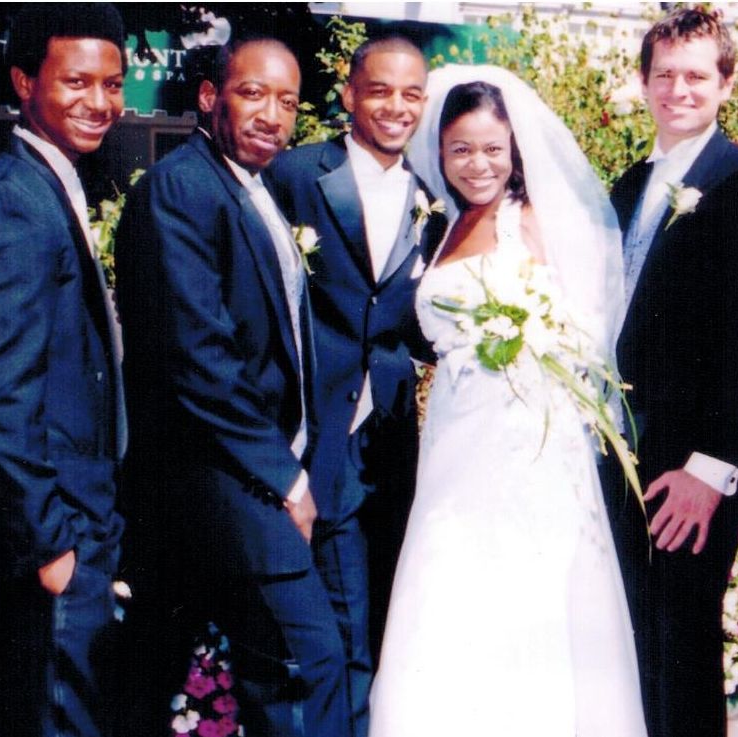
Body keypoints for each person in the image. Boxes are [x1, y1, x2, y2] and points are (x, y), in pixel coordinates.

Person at [368, 65, 646, 737]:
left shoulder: (537, 221)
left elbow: (587, 329)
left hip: (530, 445)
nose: (478, 163)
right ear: (440, 151)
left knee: (527, 598)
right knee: (449, 591)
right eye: (461, 148)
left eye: (493, 148)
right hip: (454, 448)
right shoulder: (441, 226)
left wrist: (524, 336)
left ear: (515, 149)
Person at [113, 36, 350, 737]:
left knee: (164, 668)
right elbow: (199, 358)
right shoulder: (179, 190)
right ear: (211, 98)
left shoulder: (250, 187)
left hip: (231, 482)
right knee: (307, 664)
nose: (272, 115)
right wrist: (286, 477)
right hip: (223, 482)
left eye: (286, 101)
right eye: (253, 94)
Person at [0, 5, 127, 736]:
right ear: (23, 81)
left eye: (111, 84)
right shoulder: (14, 207)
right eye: (76, 81)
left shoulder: (48, 187)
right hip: (50, 546)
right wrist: (54, 551)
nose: (101, 103)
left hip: (71, 531)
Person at [606, 10, 738, 736]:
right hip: (623, 450)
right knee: (635, 643)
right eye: (664, 75)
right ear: (645, 82)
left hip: (693, 462)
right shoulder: (631, 183)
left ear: (725, 82)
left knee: (681, 643)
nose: (678, 90)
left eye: (695, 76)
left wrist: (713, 466)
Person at [270, 35, 447, 737]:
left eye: (411, 94)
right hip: (319, 436)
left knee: (384, 615)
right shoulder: (294, 175)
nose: (396, 106)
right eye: (380, 90)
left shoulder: (433, 195)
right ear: (348, 95)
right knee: (338, 630)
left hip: (396, 439)